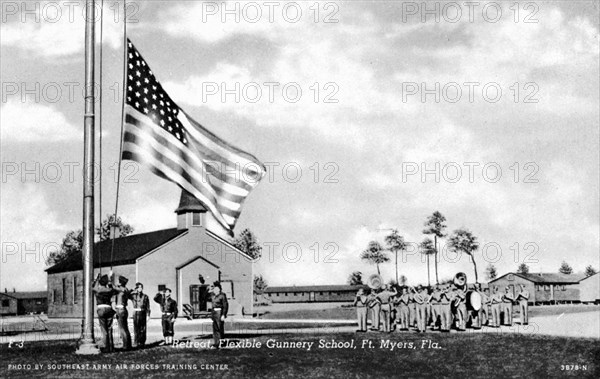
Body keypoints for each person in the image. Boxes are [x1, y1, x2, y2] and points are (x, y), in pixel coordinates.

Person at [92, 273, 118, 353]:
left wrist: (96, 279)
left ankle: (106, 347)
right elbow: (115, 290)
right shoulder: (109, 290)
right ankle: (111, 347)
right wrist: (110, 282)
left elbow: (92, 287)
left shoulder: (98, 290)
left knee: (104, 330)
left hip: (101, 308)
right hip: (109, 308)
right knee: (109, 328)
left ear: (100, 283)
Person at [114, 275, 132, 350]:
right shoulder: (126, 289)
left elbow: (112, 287)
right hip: (124, 309)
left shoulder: (120, 289)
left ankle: (125, 345)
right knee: (125, 328)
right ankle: (128, 344)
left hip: (119, 309)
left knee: (122, 328)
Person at [131, 282, 150, 347]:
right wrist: (133, 290)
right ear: (136, 288)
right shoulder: (133, 295)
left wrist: (148, 315)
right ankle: (136, 342)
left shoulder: (145, 296)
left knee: (143, 328)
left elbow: (148, 307)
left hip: (143, 313)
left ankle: (142, 342)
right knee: (136, 328)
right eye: (139, 287)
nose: (140, 289)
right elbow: (127, 294)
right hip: (136, 313)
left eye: (141, 287)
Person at [211, 281, 229, 348]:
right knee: (215, 329)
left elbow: (225, 305)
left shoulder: (222, 295)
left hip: (219, 312)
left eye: (216, 288)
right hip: (214, 313)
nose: (215, 290)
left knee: (219, 328)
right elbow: (204, 298)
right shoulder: (213, 295)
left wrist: (223, 314)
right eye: (214, 288)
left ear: (219, 289)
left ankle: (220, 343)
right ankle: (216, 342)